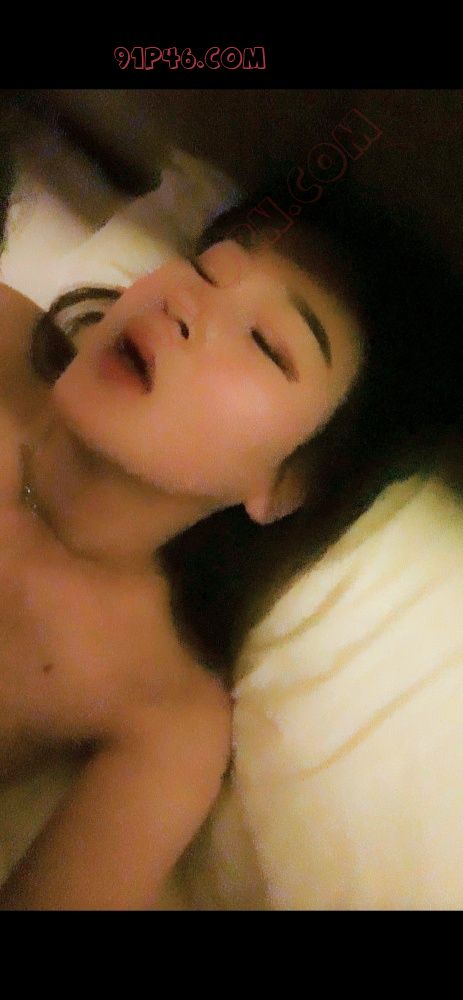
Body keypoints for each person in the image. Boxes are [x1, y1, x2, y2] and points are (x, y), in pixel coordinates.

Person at [0, 169, 461, 909]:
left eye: (265, 343)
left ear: (287, 485)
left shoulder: (166, 717)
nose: (185, 303)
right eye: (204, 269)